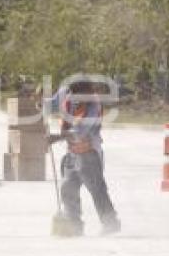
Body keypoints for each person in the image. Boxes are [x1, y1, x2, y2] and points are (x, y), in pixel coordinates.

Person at [48, 81, 120, 236]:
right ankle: (74, 225)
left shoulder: (93, 106)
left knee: (96, 189)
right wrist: (41, 105)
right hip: (72, 153)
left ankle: (110, 222)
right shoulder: (66, 93)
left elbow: (79, 131)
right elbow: (52, 104)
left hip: (89, 154)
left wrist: (55, 138)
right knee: (68, 188)